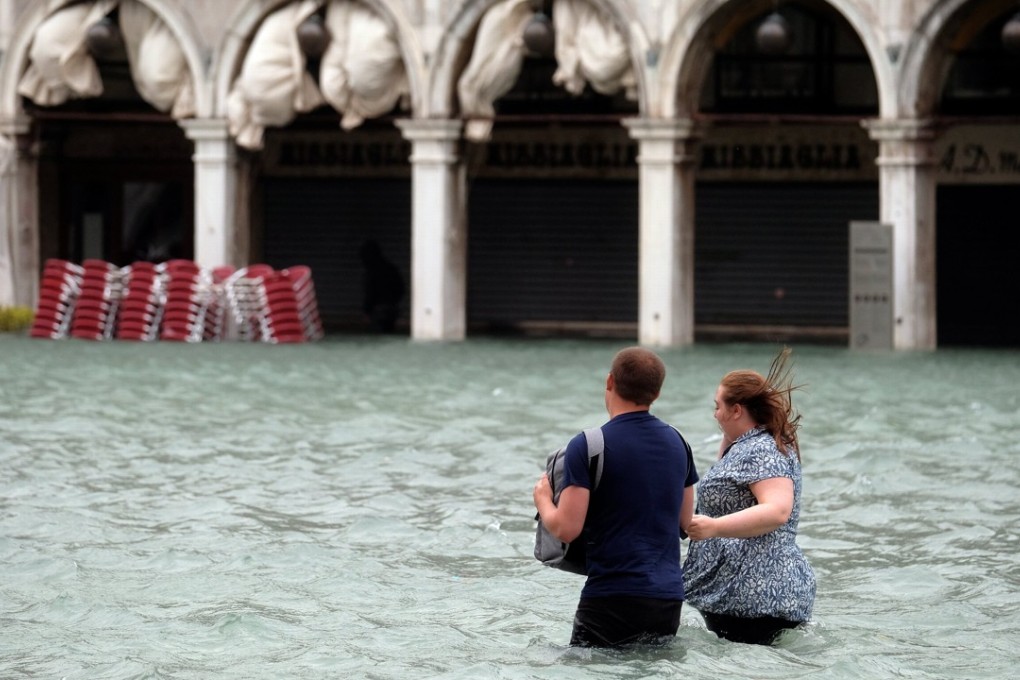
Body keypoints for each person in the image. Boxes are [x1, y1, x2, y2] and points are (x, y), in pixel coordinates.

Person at [533, 347, 699, 648]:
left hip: (612, 594)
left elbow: (566, 528)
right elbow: (685, 522)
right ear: (657, 393)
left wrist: (543, 499)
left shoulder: (588, 445)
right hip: (668, 598)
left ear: (610, 381)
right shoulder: (679, 442)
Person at [683, 347, 816, 645]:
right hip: (750, 594)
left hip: (756, 596)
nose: (715, 414)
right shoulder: (752, 443)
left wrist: (713, 527)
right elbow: (728, 478)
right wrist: (728, 430)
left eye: (718, 406)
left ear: (737, 410)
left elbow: (778, 511)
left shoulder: (761, 450)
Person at [359, 239, 405, 333]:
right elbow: (401, 289)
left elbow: (370, 293)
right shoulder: (390, 269)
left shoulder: (373, 272)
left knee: (377, 336)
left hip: (379, 310)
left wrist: (367, 311)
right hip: (390, 309)